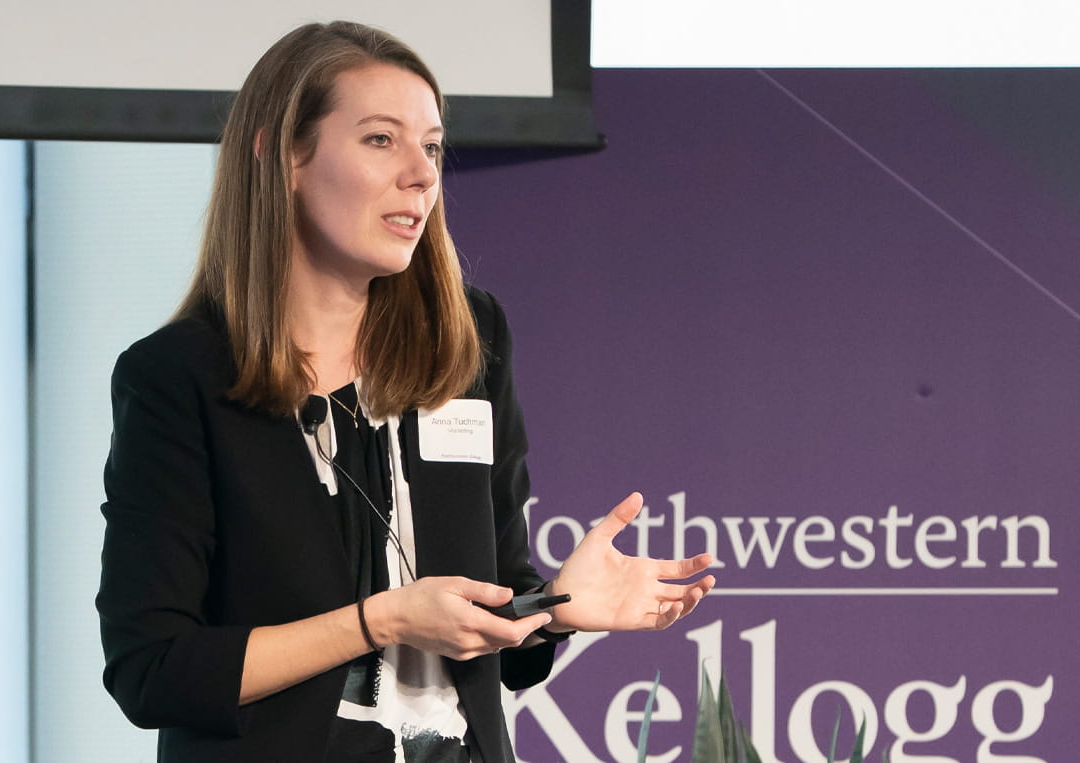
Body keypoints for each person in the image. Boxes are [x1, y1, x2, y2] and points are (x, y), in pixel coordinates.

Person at [96, 20, 715, 762]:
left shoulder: (469, 340)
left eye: (431, 146)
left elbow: (496, 609)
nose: (422, 176)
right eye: (381, 139)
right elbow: (154, 670)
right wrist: (377, 620)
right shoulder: (177, 376)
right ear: (281, 156)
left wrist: (555, 610)